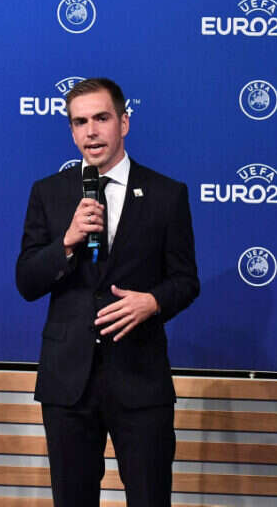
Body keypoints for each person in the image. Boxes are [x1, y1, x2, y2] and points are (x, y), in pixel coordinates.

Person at [16, 78, 199, 507]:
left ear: (124, 123)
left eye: (101, 118)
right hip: (68, 383)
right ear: (71, 131)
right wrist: (66, 242)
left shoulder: (167, 194)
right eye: (80, 122)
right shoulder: (49, 193)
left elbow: (186, 280)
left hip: (140, 379)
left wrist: (153, 302)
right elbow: (27, 281)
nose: (91, 132)